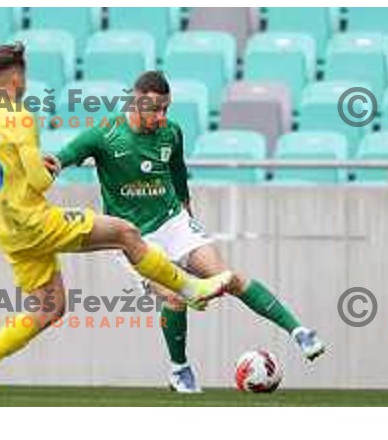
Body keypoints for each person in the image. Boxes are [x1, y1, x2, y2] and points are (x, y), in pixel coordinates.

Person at [0, 46, 232, 392]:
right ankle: (191, 287)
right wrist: (45, 166)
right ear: (16, 77)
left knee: (50, 307)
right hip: (33, 222)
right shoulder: (20, 116)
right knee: (125, 232)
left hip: (6, 229)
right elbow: (39, 181)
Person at [51, 70, 325, 393]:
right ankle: (180, 370)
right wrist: (51, 163)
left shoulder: (172, 133)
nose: (162, 116)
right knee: (174, 298)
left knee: (228, 278)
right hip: (130, 236)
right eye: (155, 109)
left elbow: (178, 174)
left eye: (166, 108)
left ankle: (299, 332)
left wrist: (187, 213)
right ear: (136, 102)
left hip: (174, 222)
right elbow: (65, 156)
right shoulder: (106, 135)